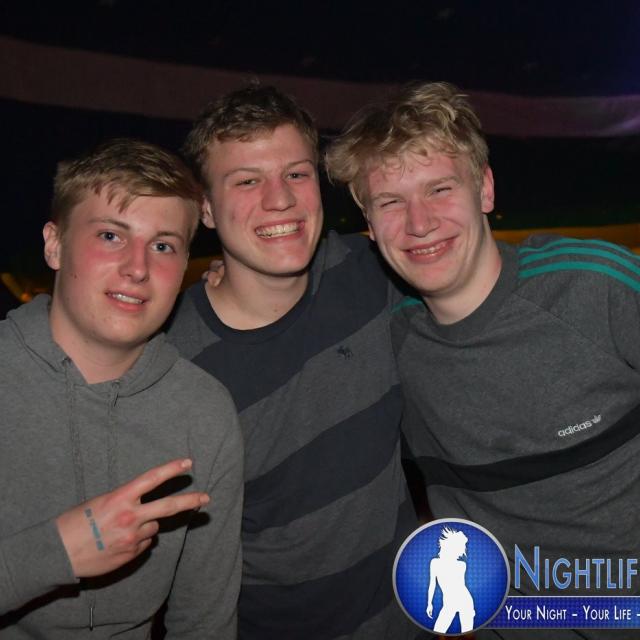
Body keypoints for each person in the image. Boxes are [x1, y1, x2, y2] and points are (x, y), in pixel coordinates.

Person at [326, 81, 640, 638]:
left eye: (440, 189)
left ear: (485, 190)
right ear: (369, 226)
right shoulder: (382, 343)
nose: (419, 223)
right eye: (391, 202)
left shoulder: (595, 287)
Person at [167, 84, 418, 639]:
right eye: (247, 180)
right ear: (205, 207)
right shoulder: (172, 365)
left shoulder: (373, 273)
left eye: (296, 173)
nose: (279, 199)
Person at [0, 139, 243, 638]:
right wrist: (57, 553)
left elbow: (205, 623)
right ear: (54, 244)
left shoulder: (203, 411)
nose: (137, 267)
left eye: (163, 246)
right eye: (111, 235)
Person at [426, 527, 474, 634]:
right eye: (461, 547)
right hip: (449, 603)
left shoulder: (462, 565)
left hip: (465, 601)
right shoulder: (435, 563)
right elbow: (432, 584)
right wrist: (429, 603)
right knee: (438, 631)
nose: (462, 551)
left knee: (467, 634)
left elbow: (460, 586)